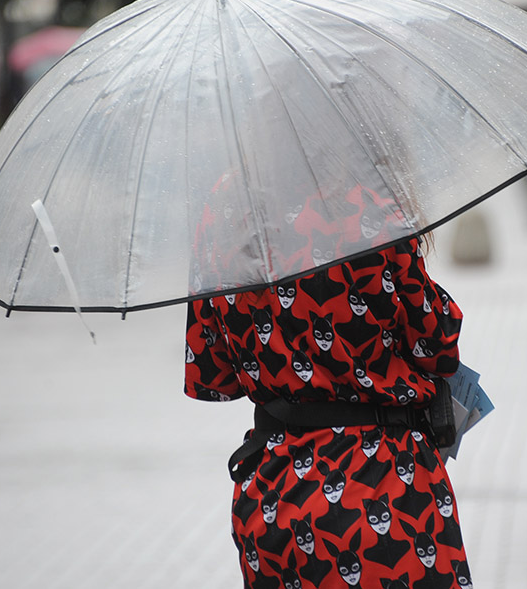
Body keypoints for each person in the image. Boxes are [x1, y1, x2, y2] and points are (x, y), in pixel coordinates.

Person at [185, 189, 473, 587]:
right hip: (387, 488)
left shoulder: (223, 210)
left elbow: (212, 376)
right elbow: (437, 347)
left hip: (273, 499)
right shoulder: (366, 199)